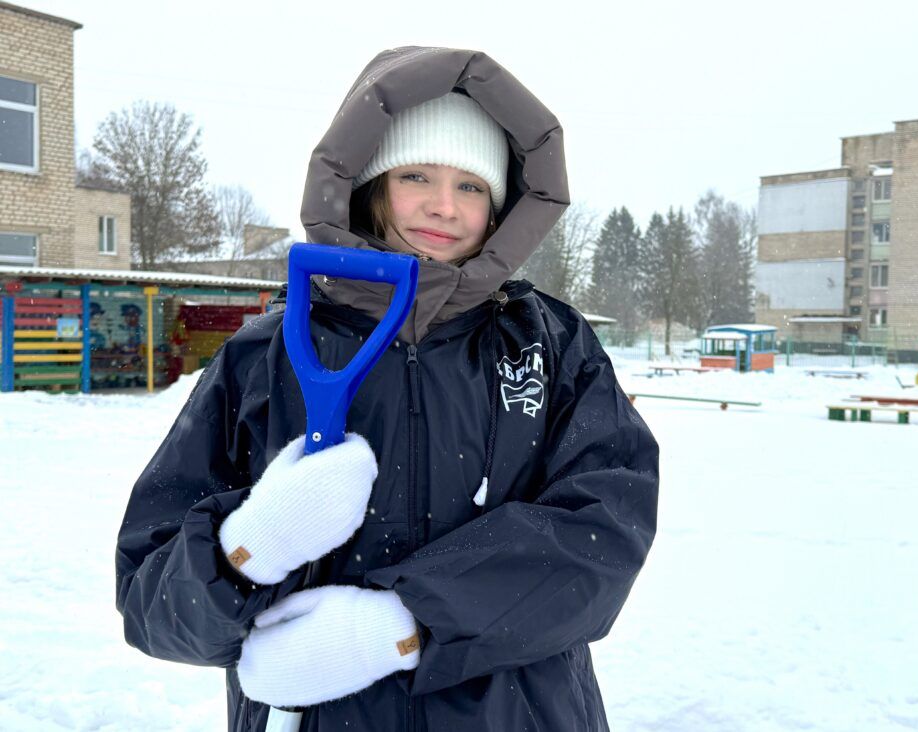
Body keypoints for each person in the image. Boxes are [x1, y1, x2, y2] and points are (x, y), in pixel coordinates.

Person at [115, 46, 659, 731]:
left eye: (471, 185)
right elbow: (149, 602)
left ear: (500, 207)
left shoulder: (549, 346)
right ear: (370, 185)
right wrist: (248, 548)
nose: (444, 205)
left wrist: (408, 624)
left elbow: (603, 536)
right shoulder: (266, 356)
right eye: (416, 175)